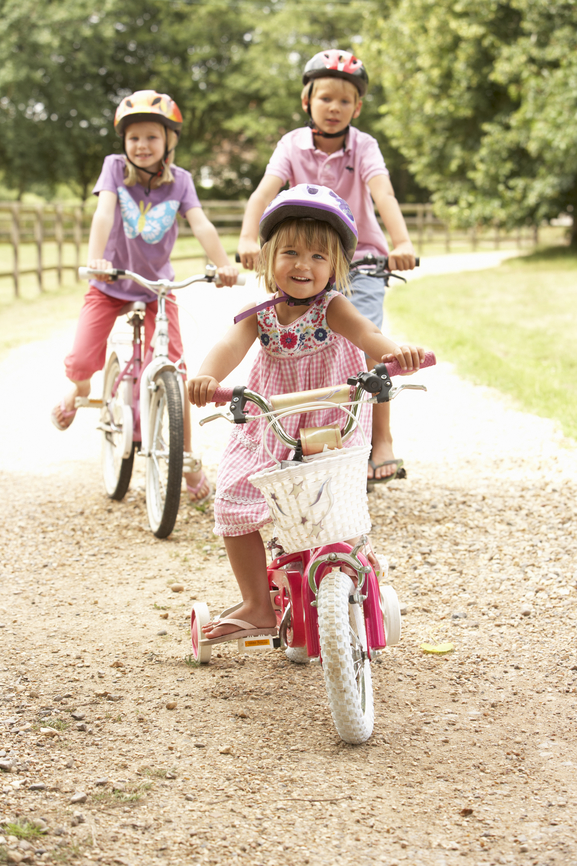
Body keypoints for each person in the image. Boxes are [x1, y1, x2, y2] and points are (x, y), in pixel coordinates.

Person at [188, 185, 424, 642]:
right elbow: (228, 345)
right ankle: (258, 604)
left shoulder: (333, 308)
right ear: (267, 258)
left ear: (335, 266)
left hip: (326, 425)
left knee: (327, 511)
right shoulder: (261, 313)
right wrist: (205, 377)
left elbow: (368, 333)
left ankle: (345, 579)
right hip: (271, 424)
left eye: (318, 257)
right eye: (291, 252)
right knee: (232, 500)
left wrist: (398, 352)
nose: (303, 265)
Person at [237, 49, 417, 484]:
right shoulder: (291, 145)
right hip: (306, 260)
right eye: (325, 99)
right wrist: (247, 236)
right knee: (296, 347)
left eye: (344, 101)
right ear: (307, 102)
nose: (334, 108)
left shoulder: (365, 146)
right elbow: (265, 192)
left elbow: (383, 194)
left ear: (357, 107)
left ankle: (381, 439)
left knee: (369, 347)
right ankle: (299, 438)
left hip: (361, 263)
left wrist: (402, 241)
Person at [50, 89, 237, 503]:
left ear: (169, 141)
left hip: (157, 289)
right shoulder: (115, 169)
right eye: (134, 137)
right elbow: (104, 213)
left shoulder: (182, 181)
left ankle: (187, 460)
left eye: (152, 137)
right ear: (124, 142)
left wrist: (223, 265)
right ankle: (78, 391)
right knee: (83, 358)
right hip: (110, 282)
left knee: (175, 369)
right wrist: (95, 258)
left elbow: (201, 223)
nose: (142, 145)